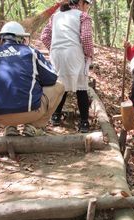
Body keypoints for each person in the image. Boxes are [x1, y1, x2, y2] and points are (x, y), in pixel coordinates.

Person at [0, 21, 65, 137]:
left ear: (2, 38)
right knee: (60, 86)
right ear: (20, 38)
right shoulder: (30, 51)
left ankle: (10, 127)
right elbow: (52, 78)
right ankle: (34, 126)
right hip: (29, 113)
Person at [41, 0, 94, 133]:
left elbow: (45, 36)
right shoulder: (83, 16)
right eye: (88, 4)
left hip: (56, 55)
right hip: (74, 53)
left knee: (61, 86)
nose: (87, 8)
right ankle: (84, 123)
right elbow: (86, 37)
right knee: (81, 88)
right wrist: (88, 55)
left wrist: (54, 48)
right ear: (82, 2)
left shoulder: (55, 16)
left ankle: (55, 116)